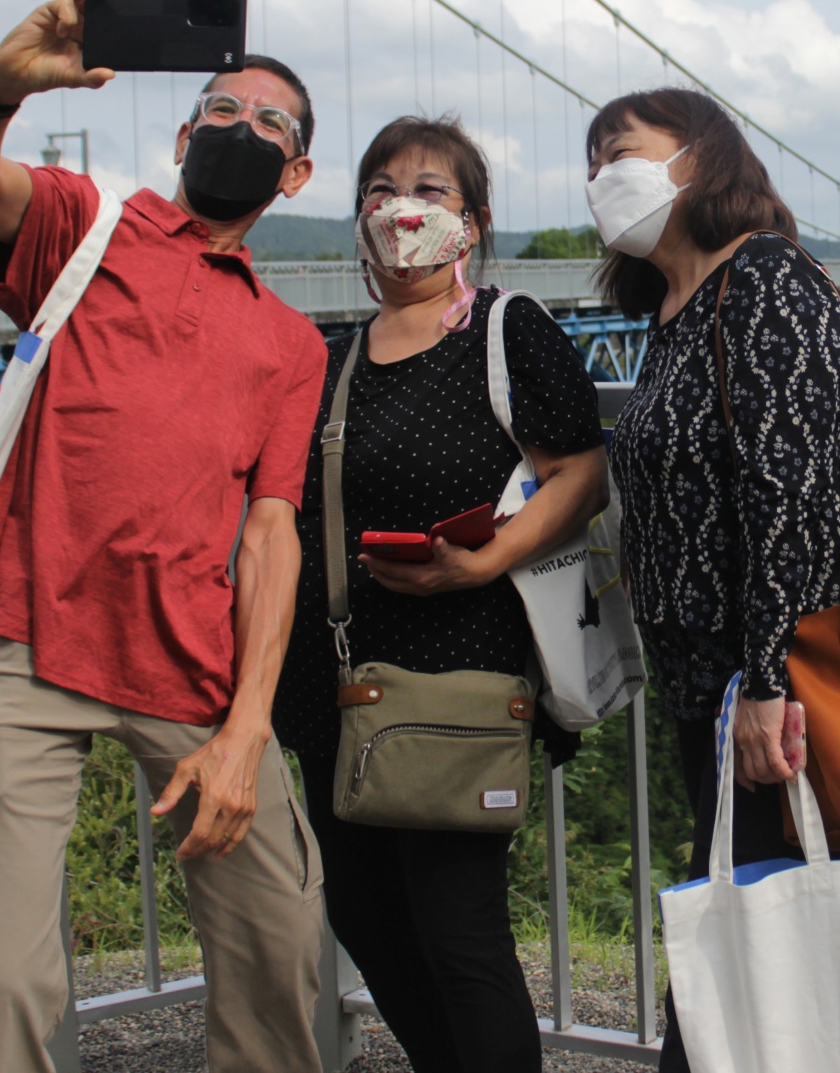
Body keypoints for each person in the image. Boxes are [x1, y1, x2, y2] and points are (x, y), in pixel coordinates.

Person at [0, 0, 330, 1073]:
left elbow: (270, 532)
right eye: (220, 110)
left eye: (269, 124)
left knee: (283, 945)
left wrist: (249, 725)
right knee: (1, 979)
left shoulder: (292, 345)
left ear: (294, 174)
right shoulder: (84, 223)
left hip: (195, 675)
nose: (239, 129)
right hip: (21, 641)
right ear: (180, 130)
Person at [273, 115, 607, 1073]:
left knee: (457, 934)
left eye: (430, 190)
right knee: (371, 927)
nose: (400, 207)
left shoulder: (507, 330)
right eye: (380, 188)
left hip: (454, 683)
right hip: (332, 688)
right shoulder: (329, 358)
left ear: (475, 222)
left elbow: (580, 474)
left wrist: (485, 561)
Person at [587, 88, 840, 1072]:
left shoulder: (763, 277)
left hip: (780, 692)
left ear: (702, 160)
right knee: (753, 957)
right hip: (712, 693)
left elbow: (788, 493)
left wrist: (769, 684)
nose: (603, 176)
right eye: (592, 158)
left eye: (624, 152)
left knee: (740, 966)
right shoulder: (674, 308)